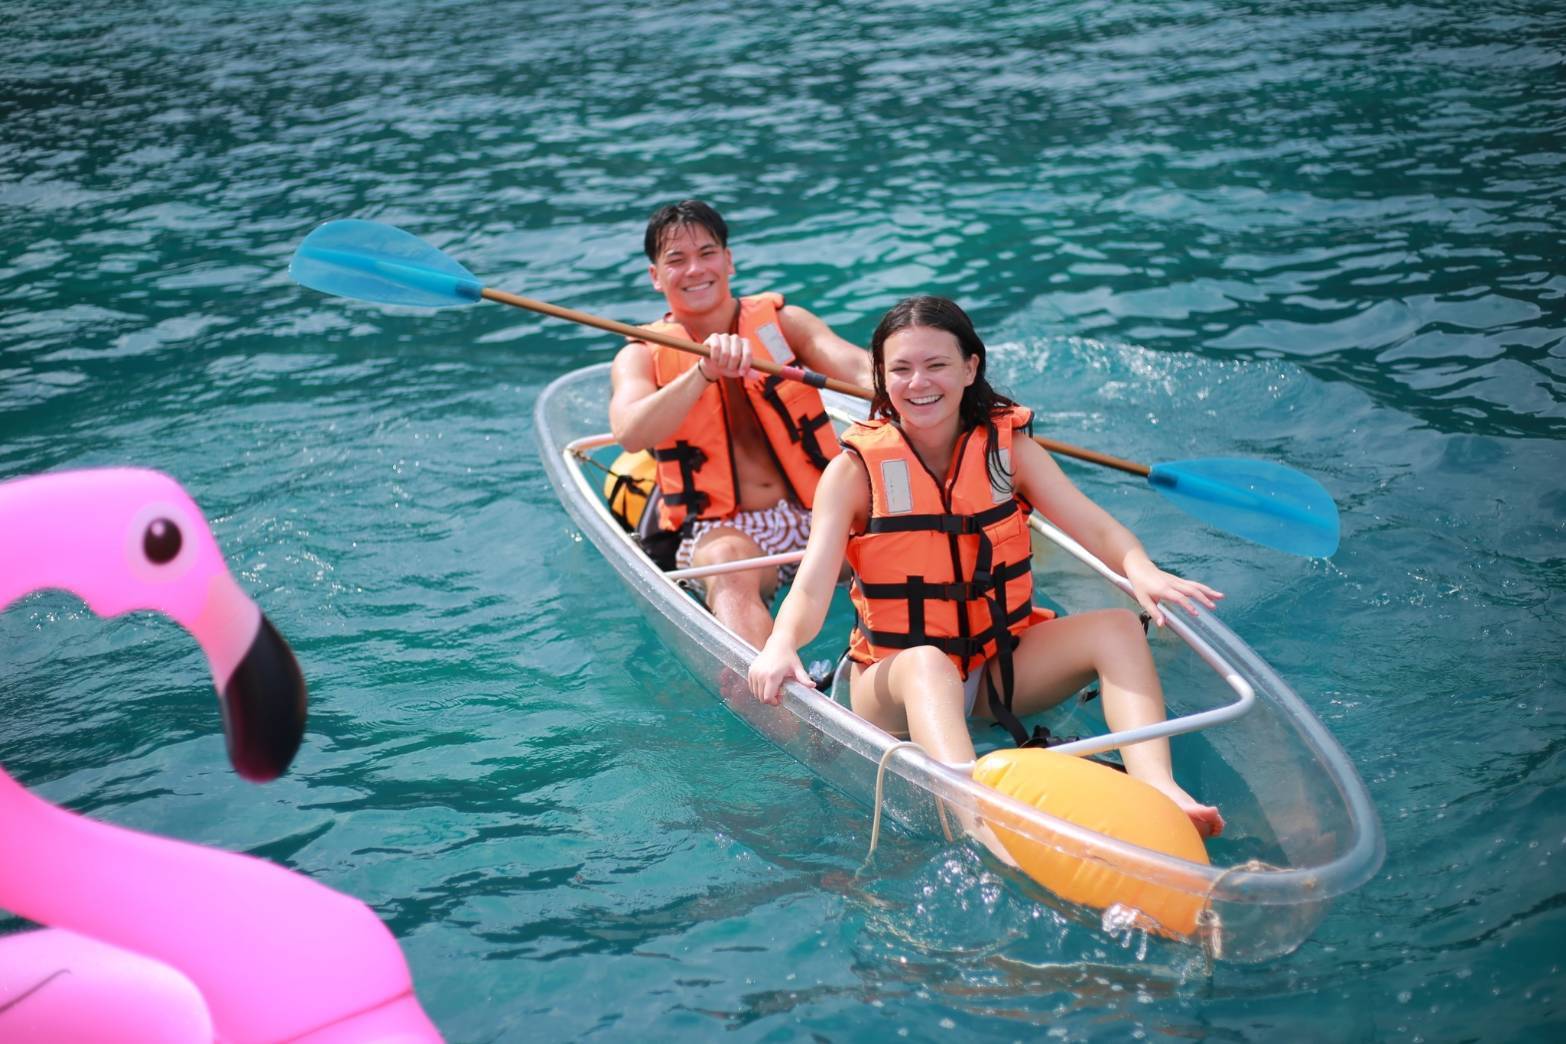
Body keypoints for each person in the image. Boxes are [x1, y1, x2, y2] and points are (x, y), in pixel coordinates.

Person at [747, 295, 1225, 838]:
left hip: (996, 666)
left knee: (1118, 628)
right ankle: (978, 817)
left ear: (971, 367)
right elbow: (810, 587)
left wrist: (1140, 567)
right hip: (895, 684)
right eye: (900, 369)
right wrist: (782, 643)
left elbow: (1094, 526)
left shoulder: (1007, 450)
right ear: (880, 376)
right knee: (928, 662)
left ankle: (1158, 787)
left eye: (937, 365)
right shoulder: (854, 471)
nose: (918, 382)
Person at [609, 201, 871, 649]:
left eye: (707, 253)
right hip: (726, 530)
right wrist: (703, 372)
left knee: (904, 531)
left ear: (728, 261)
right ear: (655, 276)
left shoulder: (783, 323)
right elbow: (630, 431)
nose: (695, 269)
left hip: (821, 509)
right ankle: (778, 703)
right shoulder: (640, 353)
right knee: (729, 567)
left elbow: (861, 371)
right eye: (676, 260)